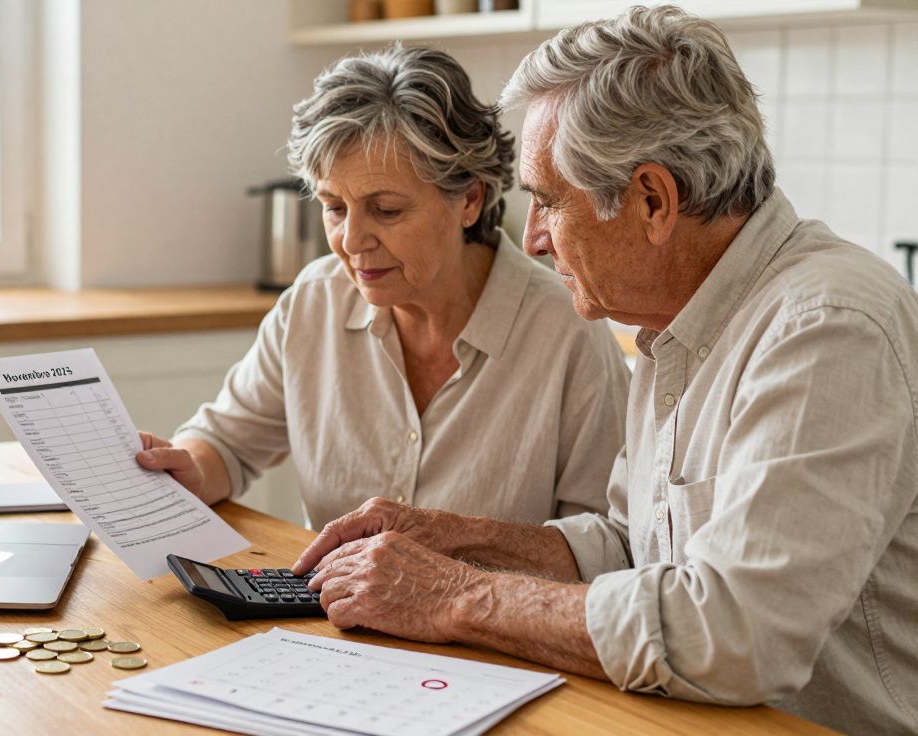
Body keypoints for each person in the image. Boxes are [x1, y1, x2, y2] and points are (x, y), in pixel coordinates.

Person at [291, 6, 918, 734]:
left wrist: (453, 594)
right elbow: (628, 547)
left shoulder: (827, 326)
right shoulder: (676, 319)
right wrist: (445, 538)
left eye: (549, 201)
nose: (532, 237)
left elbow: (735, 634)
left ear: (653, 201)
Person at [136, 44, 629, 530]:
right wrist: (191, 465)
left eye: (386, 210)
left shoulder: (566, 333)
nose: (351, 241)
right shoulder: (314, 302)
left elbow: (603, 540)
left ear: (470, 200)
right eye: (334, 208)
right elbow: (226, 443)